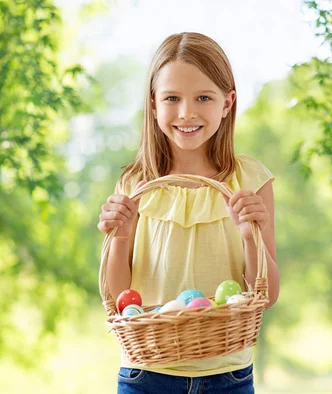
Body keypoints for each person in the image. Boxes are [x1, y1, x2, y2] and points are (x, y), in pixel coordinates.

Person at [97, 32, 280, 394]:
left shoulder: (250, 181)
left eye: (203, 97)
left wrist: (248, 234)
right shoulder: (135, 184)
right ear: (153, 104)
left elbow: (268, 295)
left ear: (227, 103)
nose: (187, 112)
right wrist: (120, 236)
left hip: (228, 375)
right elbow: (118, 300)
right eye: (172, 98)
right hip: (146, 374)